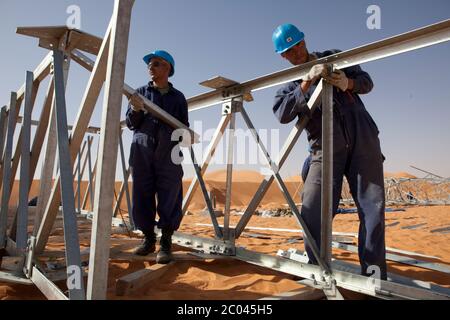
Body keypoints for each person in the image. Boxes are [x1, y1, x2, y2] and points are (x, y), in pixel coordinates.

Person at [272, 24, 387, 279]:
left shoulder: (335, 57)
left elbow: (367, 82)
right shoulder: (287, 84)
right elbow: (282, 112)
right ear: (283, 56)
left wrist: (348, 83)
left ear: (305, 40)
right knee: (313, 209)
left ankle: (375, 277)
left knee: (373, 210)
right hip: (323, 147)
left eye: (298, 45)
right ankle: (318, 271)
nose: (297, 52)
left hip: (363, 140)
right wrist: (305, 83)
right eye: (290, 51)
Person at [126, 50, 189, 264]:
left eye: (156, 64)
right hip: (142, 152)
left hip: (169, 154)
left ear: (168, 68)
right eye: (150, 65)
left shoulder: (178, 98)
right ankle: (148, 239)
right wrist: (135, 109)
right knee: (142, 194)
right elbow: (131, 124)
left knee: (170, 194)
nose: (150, 68)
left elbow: (184, 127)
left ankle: (166, 242)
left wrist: (180, 135)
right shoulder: (139, 93)